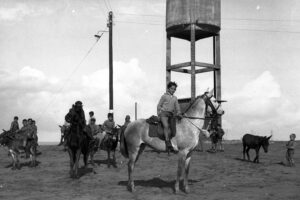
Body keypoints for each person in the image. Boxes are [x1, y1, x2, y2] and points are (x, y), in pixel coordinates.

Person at [157, 81, 182, 152]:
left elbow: (177, 107)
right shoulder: (164, 96)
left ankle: (174, 143)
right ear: (168, 89)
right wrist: (160, 112)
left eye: (174, 89)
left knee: (174, 127)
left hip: (171, 115)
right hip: (163, 114)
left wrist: (179, 113)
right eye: (172, 89)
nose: (173, 90)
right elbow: (158, 106)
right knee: (166, 126)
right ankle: (167, 142)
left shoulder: (175, 98)